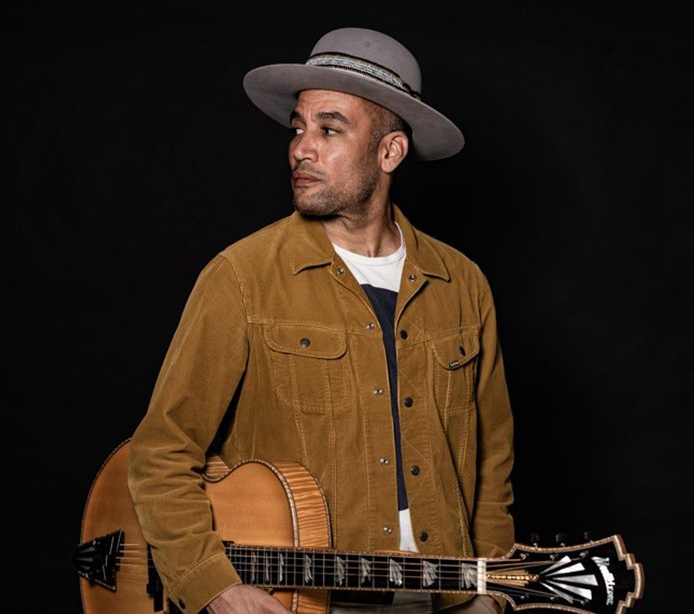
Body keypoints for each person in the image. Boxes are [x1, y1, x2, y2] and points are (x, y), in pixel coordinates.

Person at [127, 27, 515, 614]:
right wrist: (214, 585)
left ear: (390, 152)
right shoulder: (241, 276)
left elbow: (492, 458)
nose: (301, 149)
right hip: (303, 598)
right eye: (298, 128)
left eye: (329, 129)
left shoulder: (462, 284)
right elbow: (161, 451)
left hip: (440, 594)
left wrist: (490, 590)